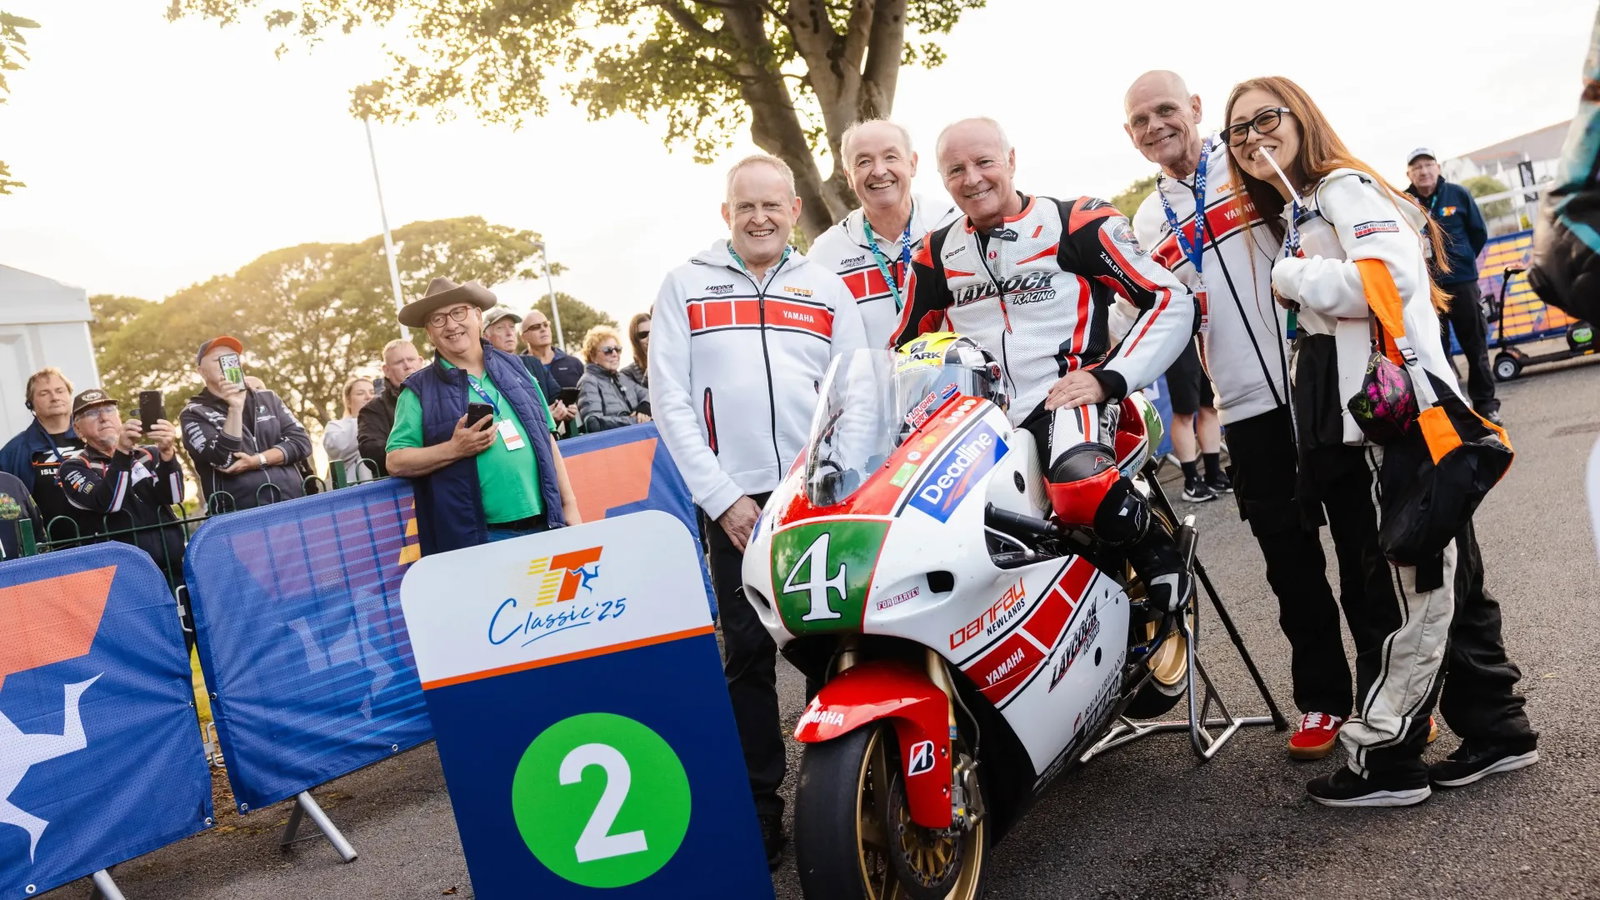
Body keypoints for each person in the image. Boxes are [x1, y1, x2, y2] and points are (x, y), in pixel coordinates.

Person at [1226, 75, 1536, 806]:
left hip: (1398, 428)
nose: (1251, 138)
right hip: (1392, 427)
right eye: (1238, 131)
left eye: (1265, 118)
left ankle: (1387, 760)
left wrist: (1292, 274)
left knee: (1409, 592)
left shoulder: (1341, 187)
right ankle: (1499, 728)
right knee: (1449, 580)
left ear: (1301, 116)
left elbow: (1385, 284)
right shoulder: (1311, 201)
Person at [1124, 69, 1356, 760]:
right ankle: (1323, 701)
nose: (1156, 126)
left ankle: (1390, 694)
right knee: (1289, 563)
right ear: (1130, 136)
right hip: (1246, 408)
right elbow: (1166, 314)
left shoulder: (1254, 162)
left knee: (1361, 547)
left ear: (1196, 108)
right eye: (1140, 120)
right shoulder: (1145, 219)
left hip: (1318, 384)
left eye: (1167, 110)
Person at [651, 153, 867, 868]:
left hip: (817, 497)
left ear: (795, 210)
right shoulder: (685, 285)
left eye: (773, 205)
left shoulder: (825, 287)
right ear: (726, 213)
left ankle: (835, 801)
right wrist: (723, 500)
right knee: (747, 655)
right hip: (734, 504)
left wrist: (839, 476)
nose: (760, 217)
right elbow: (671, 402)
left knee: (827, 647)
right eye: (746, 206)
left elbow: (858, 391)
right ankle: (761, 810)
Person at [895, 117, 1196, 612]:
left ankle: (1154, 548)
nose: (972, 178)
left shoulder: (1076, 221)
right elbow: (903, 349)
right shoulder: (932, 254)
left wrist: (1109, 378)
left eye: (984, 162)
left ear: (1011, 160)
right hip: (980, 422)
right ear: (942, 180)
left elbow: (1170, 298)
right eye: (956, 170)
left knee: (1080, 486)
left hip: (1067, 396)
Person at [386, 277, 581, 553]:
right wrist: (454, 449)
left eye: (458, 312)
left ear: (478, 316)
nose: (451, 324)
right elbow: (396, 461)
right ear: (429, 332)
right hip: (480, 540)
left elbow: (548, 442)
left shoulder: (519, 369)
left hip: (548, 527)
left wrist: (569, 505)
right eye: (438, 319)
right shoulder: (417, 391)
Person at [808, 119, 958, 346]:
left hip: (949, 380)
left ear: (912, 164)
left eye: (890, 157)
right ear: (848, 175)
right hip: (867, 382)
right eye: (864, 161)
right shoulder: (825, 253)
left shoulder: (953, 226)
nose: (879, 171)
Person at [57, 388, 187, 591]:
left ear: (118, 417)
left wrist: (168, 454)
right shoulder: (73, 467)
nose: (103, 418)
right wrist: (123, 452)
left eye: (109, 409)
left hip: (175, 568)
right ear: (78, 429)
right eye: (91, 413)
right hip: (123, 579)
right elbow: (109, 502)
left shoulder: (149, 453)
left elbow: (175, 496)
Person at [1405, 148, 1498, 425]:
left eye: (1428, 165)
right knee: (1434, 349)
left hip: (1462, 282)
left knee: (1475, 345)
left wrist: (1463, 260)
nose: (1423, 171)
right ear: (1408, 173)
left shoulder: (1458, 194)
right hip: (1426, 287)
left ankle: (1486, 405)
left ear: (1438, 167)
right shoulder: (1403, 200)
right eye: (1417, 167)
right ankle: (1452, 408)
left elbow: (1478, 233)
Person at [181, 335, 314, 511]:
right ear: (201, 371)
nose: (224, 363)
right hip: (240, 516)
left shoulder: (268, 398)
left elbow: (302, 443)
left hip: (291, 504)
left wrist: (258, 460)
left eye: (230, 358)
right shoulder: (194, 412)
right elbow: (225, 460)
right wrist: (235, 408)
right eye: (217, 359)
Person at [0, 367, 94, 543]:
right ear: (30, 403)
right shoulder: (13, 451)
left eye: (60, 390)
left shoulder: (94, 437)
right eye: (44, 393)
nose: (55, 397)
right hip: (49, 549)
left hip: (103, 541)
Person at [488, 305, 577, 430]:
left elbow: (557, 398)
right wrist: (545, 418)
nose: (509, 333)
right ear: (485, 337)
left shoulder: (533, 363)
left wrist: (565, 408)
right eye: (500, 328)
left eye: (512, 327)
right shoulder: (485, 372)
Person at [1164, 339, 1230, 502]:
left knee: (1210, 407)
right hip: (1178, 338)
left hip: (1204, 332)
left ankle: (1213, 474)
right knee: (1184, 413)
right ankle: (1191, 480)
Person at [359, 339, 427, 478]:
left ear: (420, 362)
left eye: (411, 359)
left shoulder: (444, 394)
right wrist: (420, 455)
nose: (407, 366)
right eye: (399, 362)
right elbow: (371, 450)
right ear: (386, 370)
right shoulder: (373, 409)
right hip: (402, 488)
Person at [576, 325, 648, 433]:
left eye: (617, 349)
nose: (615, 354)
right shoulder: (588, 381)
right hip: (612, 445)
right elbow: (593, 423)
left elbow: (651, 395)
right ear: (593, 356)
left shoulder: (622, 378)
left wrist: (644, 407)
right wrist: (635, 421)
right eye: (608, 350)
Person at [323, 375, 376, 486]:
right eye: (360, 393)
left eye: (372, 392)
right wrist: (365, 418)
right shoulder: (335, 427)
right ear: (348, 401)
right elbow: (339, 448)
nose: (368, 397)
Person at [520, 308, 585, 390]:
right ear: (523, 337)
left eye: (546, 325)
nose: (543, 329)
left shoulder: (574, 364)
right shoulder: (518, 368)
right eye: (536, 327)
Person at [621, 311, 651, 393]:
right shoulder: (627, 374)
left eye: (653, 332)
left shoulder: (669, 364)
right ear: (635, 340)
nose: (650, 338)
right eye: (643, 335)